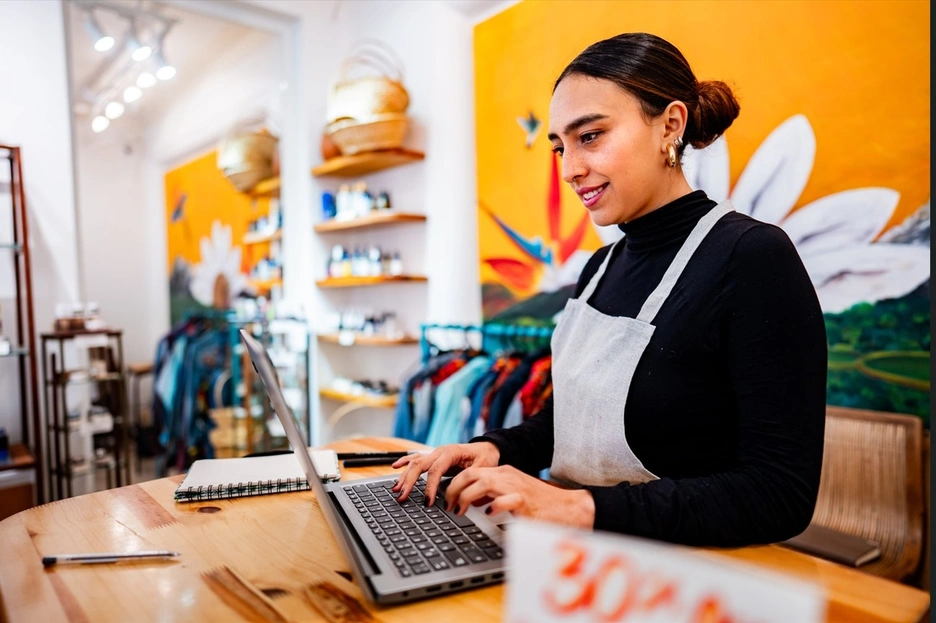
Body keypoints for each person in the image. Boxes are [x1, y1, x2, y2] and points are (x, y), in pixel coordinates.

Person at [392, 33, 827, 546]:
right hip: (580, 557)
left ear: (671, 125)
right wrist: (494, 448)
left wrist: (578, 506)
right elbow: (572, 426)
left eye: (590, 136)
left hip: (690, 577)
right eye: (559, 147)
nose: (571, 169)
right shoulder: (601, 265)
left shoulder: (752, 257)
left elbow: (779, 494)